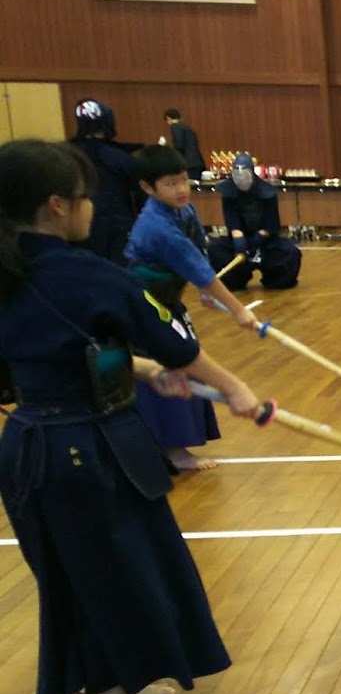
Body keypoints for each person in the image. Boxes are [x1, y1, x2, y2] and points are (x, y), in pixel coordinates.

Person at [0, 138, 259, 694]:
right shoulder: (85, 273)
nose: (92, 208)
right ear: (58, 207)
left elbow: (51, 360)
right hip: (89, 450)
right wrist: (237, 389)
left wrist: (138, 370)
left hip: (25, 447)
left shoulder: (10, 272)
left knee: (63, 571)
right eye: (85, 197)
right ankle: (119, 690)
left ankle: (66, 693)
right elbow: (178, 344)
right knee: (123, 567)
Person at [125, 145, 259, 471]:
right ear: (147, 187)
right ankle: (173, 451)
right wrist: (238, 310)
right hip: (142, 306)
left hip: (168, 300)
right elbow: (198, 269)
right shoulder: (155, 226)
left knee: (187, 357)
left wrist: (204, 293)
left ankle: (178, 447)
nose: (181, 189)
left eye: (184, 180)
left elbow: (198, 255)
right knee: (169, 367)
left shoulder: (184, 211)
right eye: (170, 184)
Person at [206, 153, 301, 290]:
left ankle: (273, 279)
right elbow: (232, 222)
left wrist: (258, 239)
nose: (241, 179)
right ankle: (238, 278)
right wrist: (240, 243)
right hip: (239, 241)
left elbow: (271, 223)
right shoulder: (229, 194)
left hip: (265, 241)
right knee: (215, 249)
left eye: (244, 175)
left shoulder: (268, 194)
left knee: (290, 252)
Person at [68, 98, 144, 265]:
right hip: (116, 226)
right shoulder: (121, 157)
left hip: (73, 223)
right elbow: (140, 193)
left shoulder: (65, 155)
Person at [163, 109, 205, 179]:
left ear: (168, 118)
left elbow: (179, 145)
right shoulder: (187, 127)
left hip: (187, 164)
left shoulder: (175, 127)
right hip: (197, 162)